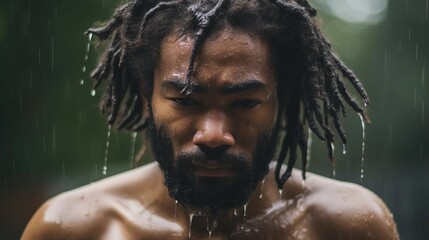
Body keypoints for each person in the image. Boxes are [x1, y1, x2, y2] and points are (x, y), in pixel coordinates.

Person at [22, 0, 399, 239]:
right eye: (186, 101)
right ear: (146, 94)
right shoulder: (73, 228)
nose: (214, 135)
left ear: (281, 100)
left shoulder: (345, 226)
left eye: (245, 103)